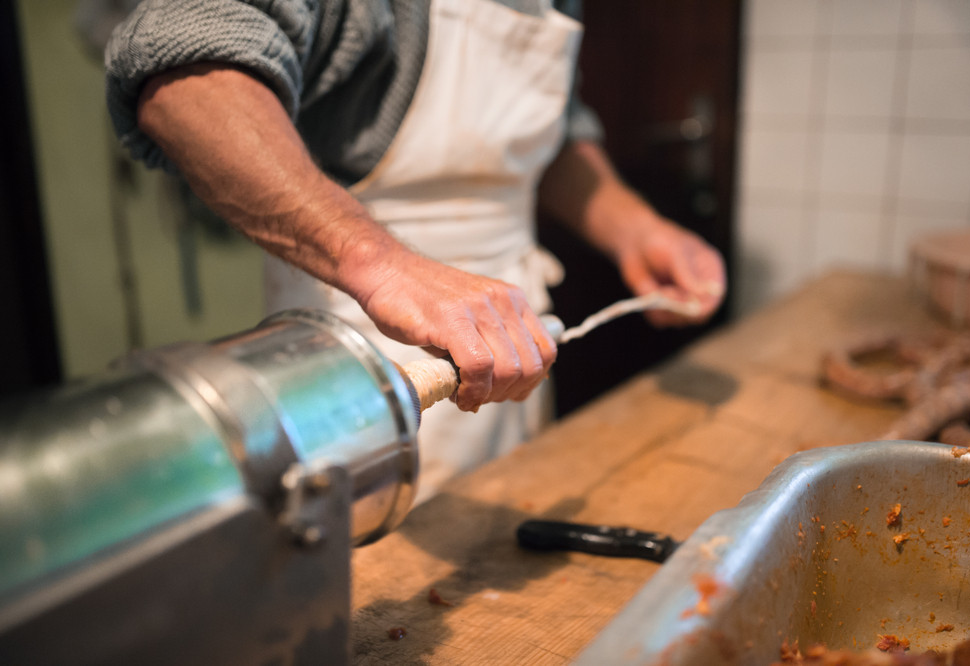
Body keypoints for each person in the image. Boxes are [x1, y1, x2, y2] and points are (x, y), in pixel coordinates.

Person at [105, 0, 726, 503]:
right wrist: (382, 265)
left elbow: (548, 130)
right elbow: (183, 78)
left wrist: (639, 229)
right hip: (356, 343)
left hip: (509, 331)